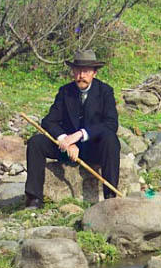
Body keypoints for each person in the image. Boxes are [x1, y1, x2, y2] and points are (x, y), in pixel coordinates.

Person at [24, 49, 120, 208]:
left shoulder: (105, 92)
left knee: (111, 140)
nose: (81, 75)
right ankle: (34, 199)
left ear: (94, 73)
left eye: (86, 71)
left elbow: (111, 124)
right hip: (66, 149)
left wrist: (80, 135)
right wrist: (65, 140)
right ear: (73, 72)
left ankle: (110, 198)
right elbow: (48, 121)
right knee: (36, 142)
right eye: (78, 70)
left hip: (93, 149)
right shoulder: (65, 92)